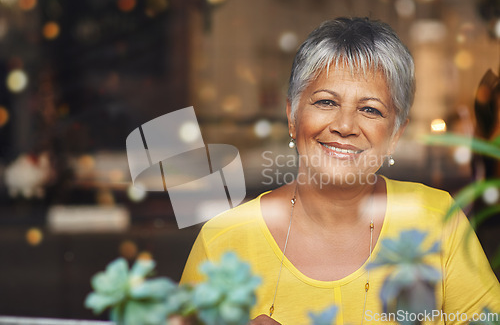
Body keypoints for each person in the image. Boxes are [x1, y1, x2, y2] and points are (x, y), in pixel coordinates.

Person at [180, 17, 500, 324]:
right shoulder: (223, 242)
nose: (345, 126)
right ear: (292, 116)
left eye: (370, 109)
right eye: (326, 102)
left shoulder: (437, 220)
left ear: (395, 135)